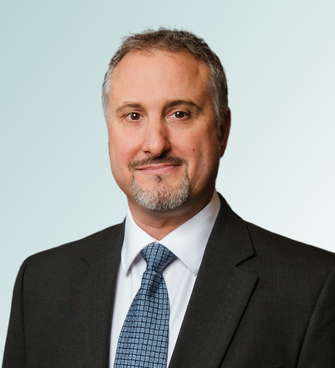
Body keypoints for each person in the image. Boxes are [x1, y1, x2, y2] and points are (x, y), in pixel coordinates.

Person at [3, 28, 335, 368]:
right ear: (108, 132)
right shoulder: (41, 283)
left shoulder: (313, 288)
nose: (155, 143)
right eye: (133, 116)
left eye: (179, 113)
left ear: (222, 129)